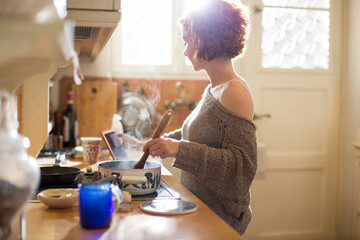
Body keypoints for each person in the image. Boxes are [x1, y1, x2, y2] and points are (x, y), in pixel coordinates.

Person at [127, 0, 257, 236]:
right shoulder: (214, 88)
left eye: (187, 42)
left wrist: (178, 149)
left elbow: (241, 169)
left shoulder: (234, 91)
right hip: (201, 214)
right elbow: (199, 135)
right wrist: (152, 142)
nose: (185, 51)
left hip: (222, 223)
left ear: (203, 39)